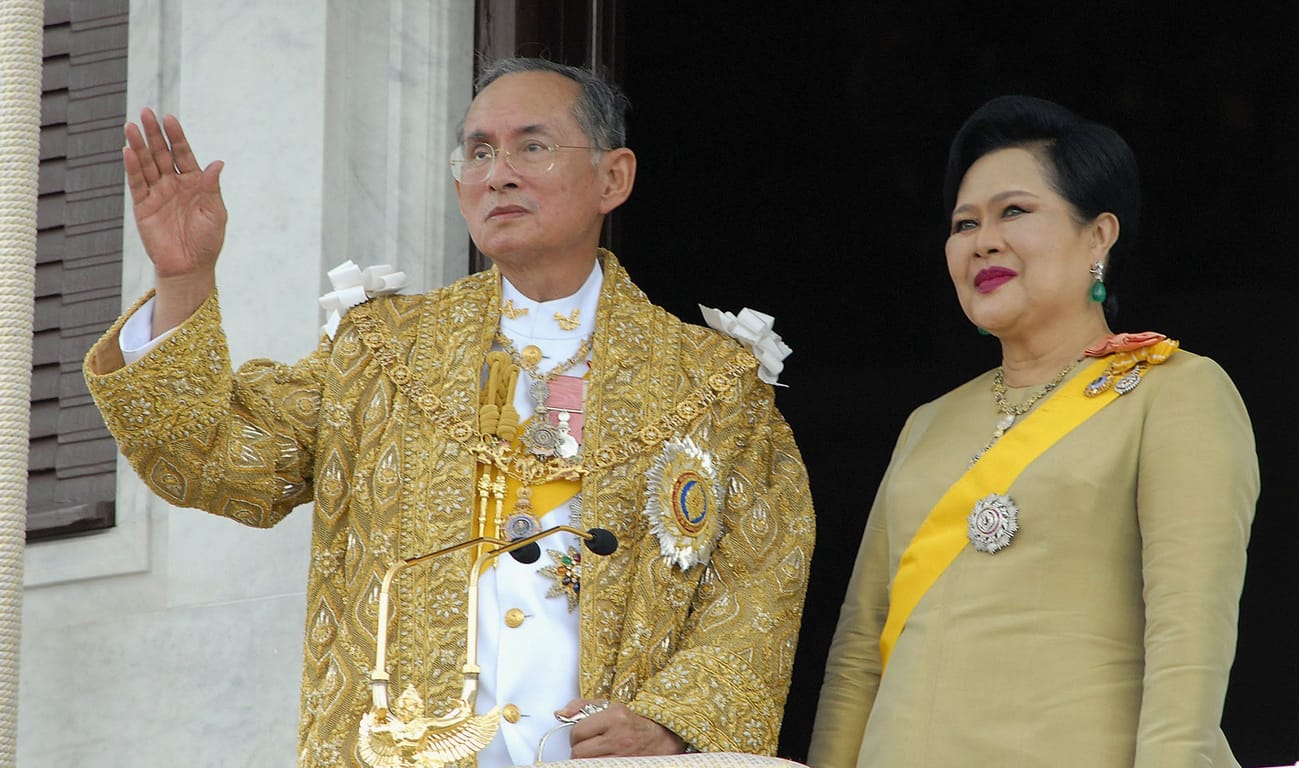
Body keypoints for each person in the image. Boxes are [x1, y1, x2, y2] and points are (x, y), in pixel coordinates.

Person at [84, 57, 815, 767]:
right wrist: (184, 279)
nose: (498, 172)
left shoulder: (712, 383)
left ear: (612, 177)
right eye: (478, 151)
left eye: (532, 145)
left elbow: (761, 579)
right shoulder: (380, 351)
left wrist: (670, 724)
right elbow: (212, 460)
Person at [808, 95, 1258, 768]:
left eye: (1014, 211)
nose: (984, 239)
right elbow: (856, 659)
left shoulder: (1175, 391)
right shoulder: (927, 425)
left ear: (1099, 235)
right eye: (965, 223)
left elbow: (1187, 643)